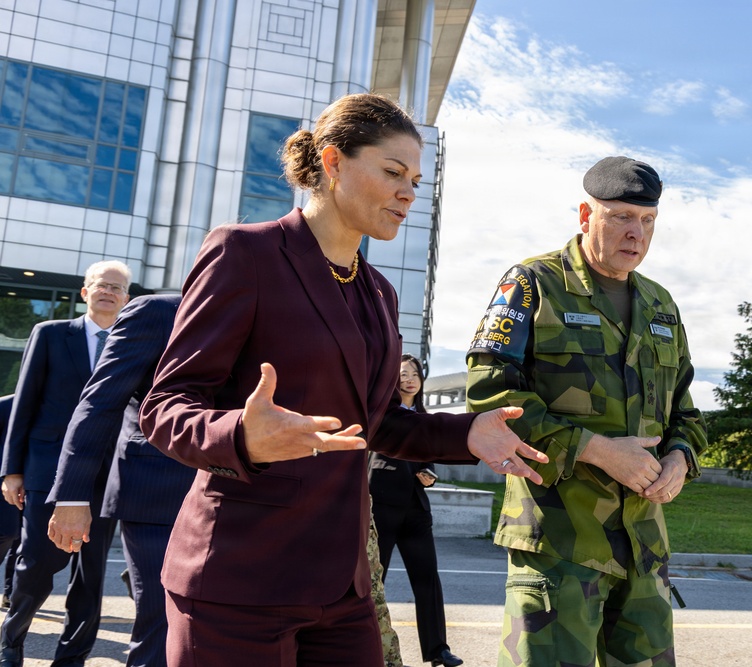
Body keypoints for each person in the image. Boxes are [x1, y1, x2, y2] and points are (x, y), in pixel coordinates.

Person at [137, 92, 547, 667]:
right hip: (239, 578)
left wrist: (466, 434)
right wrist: (240, 435)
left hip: (343, 586)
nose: (409, 192)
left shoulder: (379, 292)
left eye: (416, 179)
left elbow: (374, 424)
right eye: (392, 172)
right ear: (332, 163)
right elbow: (165, 405)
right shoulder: (245, 253)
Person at [465, 156, 709, 667]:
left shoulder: (661, 304)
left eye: (647, 221)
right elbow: (493, 393)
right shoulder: (533, 284)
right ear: (585, 214)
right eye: (620, 216)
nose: (635, 233)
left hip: (644, 545)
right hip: (560, 542)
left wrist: (681, 459)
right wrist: (598, 451)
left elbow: (685, 408)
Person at [44, 294, 193, 667]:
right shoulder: (158, 312)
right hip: (157, 493)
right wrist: (73, 497)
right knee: (163, 625)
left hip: (250, 495)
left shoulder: (281, 313)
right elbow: (100, 403)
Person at [0, 260, 132, 667]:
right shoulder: (52, 334)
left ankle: (72, 657)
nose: (108, 292)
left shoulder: (134, 343)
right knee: (36, 562)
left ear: (126, 299)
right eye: (101, 285)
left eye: (117, 288)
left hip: (106, 475)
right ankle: (11, 644)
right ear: (85, 292)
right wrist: (12, 470)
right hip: (46, 469)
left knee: (90, 576)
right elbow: (24, 405)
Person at [369, 354, 461, 667]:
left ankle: (438, 650)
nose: (409, 378)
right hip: (381, 505)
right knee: (372, 583)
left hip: (416, 510)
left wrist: (429, 476)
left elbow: (428, 461)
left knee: (427, 580)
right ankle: (368, 649)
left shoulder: (424, 417)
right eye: (403, 374)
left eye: (414, 374)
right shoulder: (381, 412)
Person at [0, 396, 17, 611]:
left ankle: (12, 592)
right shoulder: (5, 405)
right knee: (8, 532)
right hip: (6, 482)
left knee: (23, 540)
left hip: (36, 482)